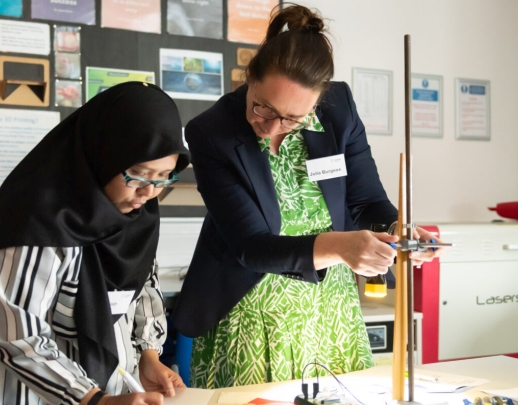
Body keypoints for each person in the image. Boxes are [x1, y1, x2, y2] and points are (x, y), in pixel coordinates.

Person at [172, 4, 446, 389]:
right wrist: (341, 247)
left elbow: (365, 202)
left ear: (317, 104)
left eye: (292, 118)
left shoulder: (339, 110)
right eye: (262, 107)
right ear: (249, 77)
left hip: (330, 309)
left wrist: (398, 230)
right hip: (251, 313)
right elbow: (251, 247)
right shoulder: (212, 132)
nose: (271, 127)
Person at [0, 82, 189, 405]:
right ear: (104, 155)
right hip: (9, 388)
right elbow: (19, 334)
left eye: (163, 177)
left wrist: (148, 356)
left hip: (95, 388)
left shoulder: (138, 214)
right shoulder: (39, 217)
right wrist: (93, 399)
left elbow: (142, 289)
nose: (149, 192)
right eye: (138, 174)